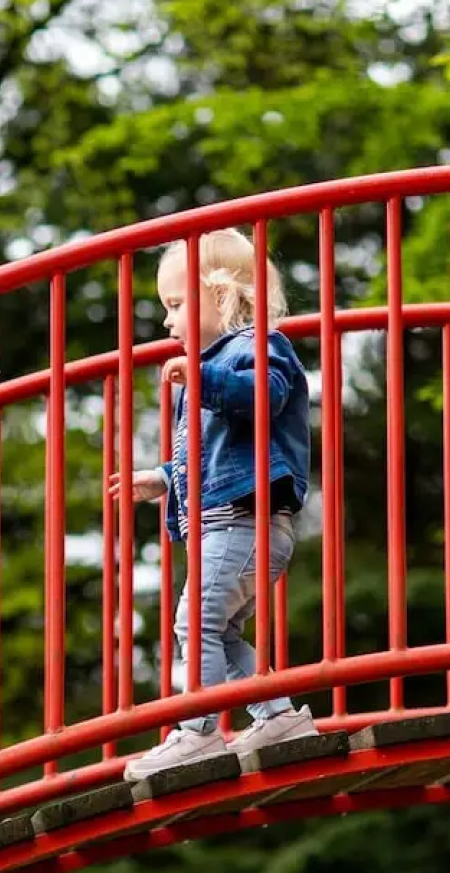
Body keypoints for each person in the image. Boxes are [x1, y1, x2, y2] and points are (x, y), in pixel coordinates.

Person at [108, 228, 315, 781]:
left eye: (176, 305)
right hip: (234, 526)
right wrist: (161, 478)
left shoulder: (257, 347)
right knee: (219, 632)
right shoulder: (213, 366)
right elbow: (210, 456)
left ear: (221, 297)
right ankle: (279, 717)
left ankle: (197, 731)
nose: (167, 321)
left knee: (194, 623)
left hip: (242, 524)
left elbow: (265, 397)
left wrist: (202, 379)